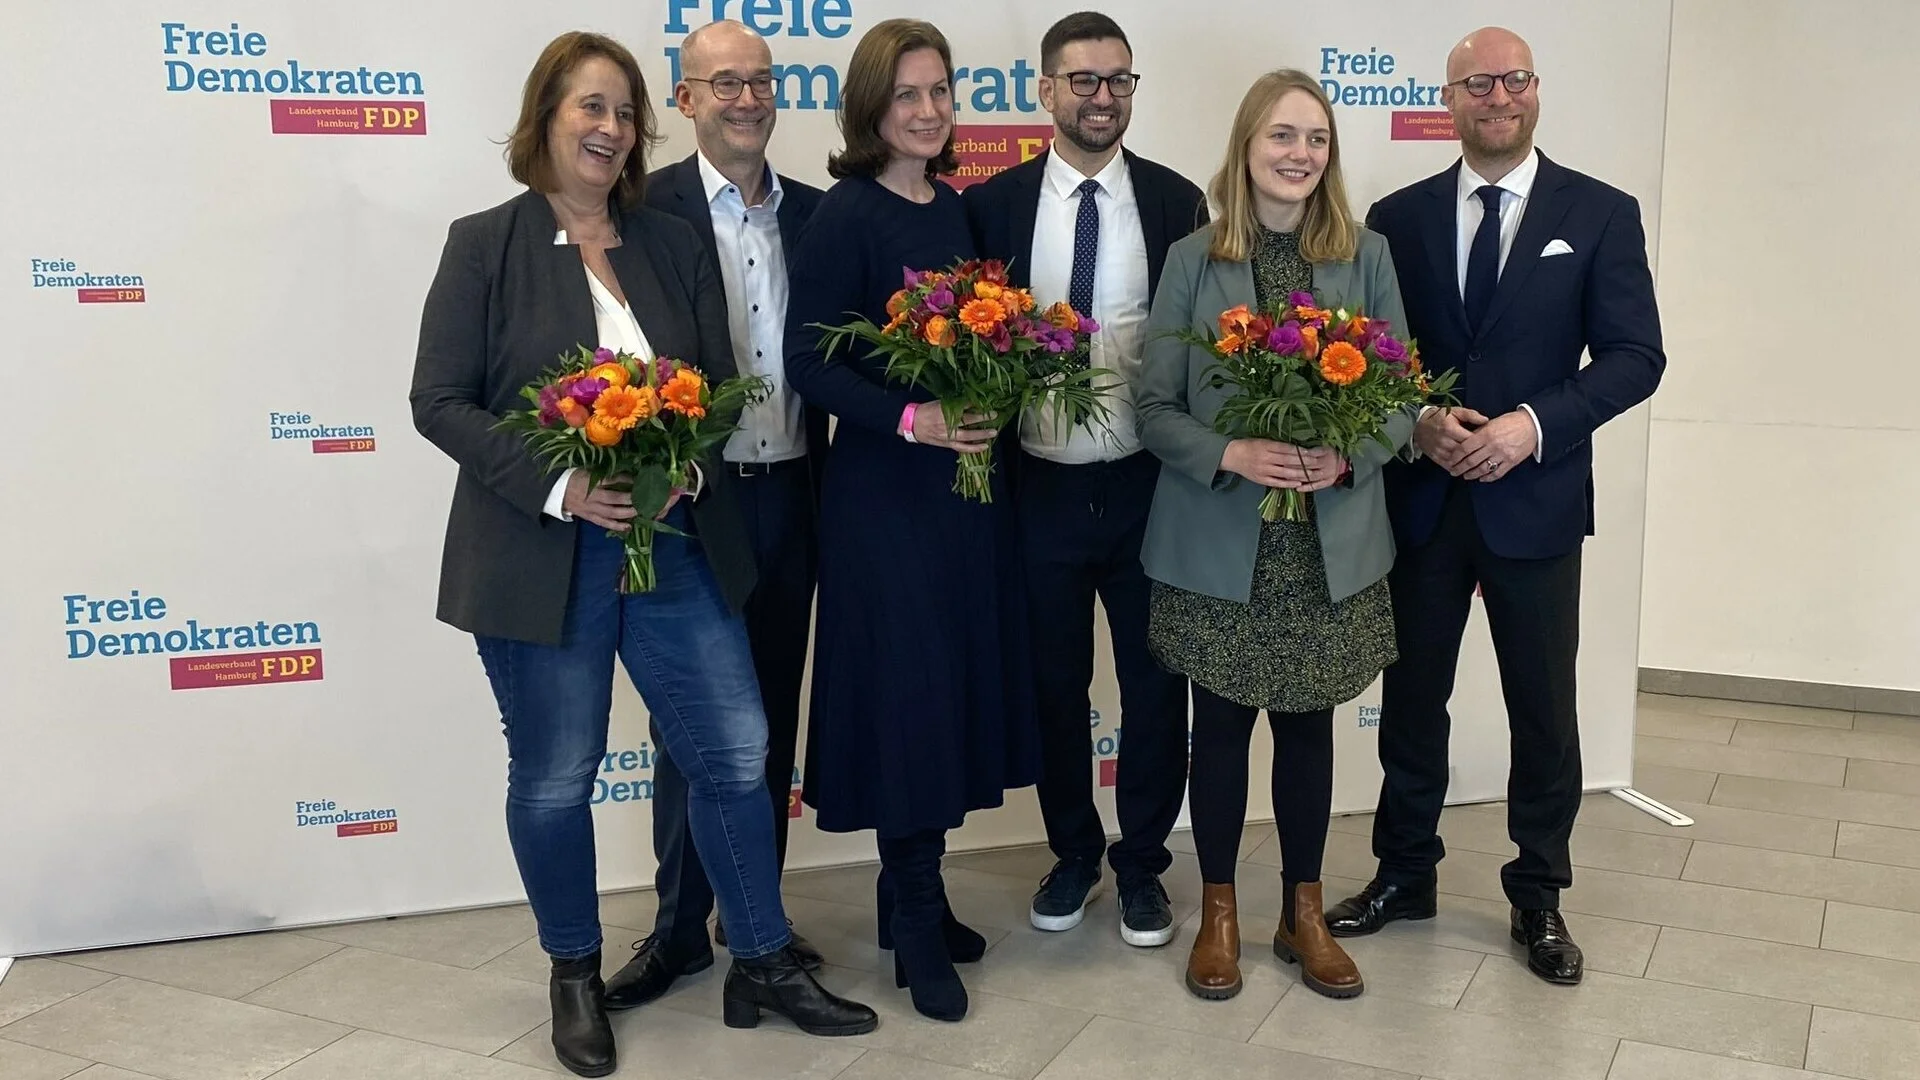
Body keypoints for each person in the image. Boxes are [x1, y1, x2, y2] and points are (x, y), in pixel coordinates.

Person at [410, 31, 875, 1076]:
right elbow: (436, 401)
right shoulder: (484, 243)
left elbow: (709, 385)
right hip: (537, 558)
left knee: (736, 750)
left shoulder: (663, 238)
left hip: (670, 549)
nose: (609, 128)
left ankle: (760, 956)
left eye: (621, 112)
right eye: (589, 108)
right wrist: (561, 480)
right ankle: (573, 973)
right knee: (556, 775)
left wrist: (685, 460)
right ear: (547, 120)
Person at [1325, 26, 1665, 988]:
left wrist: (1530, 425)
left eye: (1513, 79)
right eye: (1478, 82)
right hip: (1425, 501)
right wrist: (1419, 419)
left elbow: (1638, 357)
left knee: (1543, 710)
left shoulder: (1599, 213)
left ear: (1535, 90)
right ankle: (1404, 874)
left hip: (1537, 502)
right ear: (1452, 98)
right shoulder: (1396, 216)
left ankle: (1539, 895)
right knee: (1412, 702)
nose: (1498, 95)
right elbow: (1370, 354)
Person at [1136, 69, 1413, 1003]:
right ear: (1246, 148)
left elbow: (1399, 399)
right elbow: (1154, 409)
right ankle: (1220, 914)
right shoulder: (1192, 259)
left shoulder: (1366, 255)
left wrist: (1345, 459)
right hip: (1221, 541)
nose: (1300, 155)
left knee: (1308, 733)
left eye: (1317, 140)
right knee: (1215, 733)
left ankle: (1305, 914)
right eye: (1282, 137)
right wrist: (1233, 451)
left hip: (1324, 546)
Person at [783, 18, 1039, 1023]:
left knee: (950, 694)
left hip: (963, 499)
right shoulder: (845, 216)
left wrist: (989, 398)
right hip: (883, 501)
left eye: (941, 92)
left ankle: (905, 899)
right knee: (909, 703)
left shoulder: (960, 211)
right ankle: (920, 920)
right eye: (908, 96)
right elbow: (808, 360)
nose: (929, 111)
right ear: (870, 109)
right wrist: (908, 416)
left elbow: (982, 339)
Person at [962, 11, 1205, 949]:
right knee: (1055, 684)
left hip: (1149, 487)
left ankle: (1143, 864)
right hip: (1039, 489)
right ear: (1045, 90)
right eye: (1083, 80)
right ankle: (1072, 852)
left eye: (1118, 81)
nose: (1102, 98)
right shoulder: (992, 206)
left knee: (1153, 685)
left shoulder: (1182, 202)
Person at [602, 19, 829, 1012]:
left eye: (761, 82)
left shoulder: (820, 217)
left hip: (799, 497)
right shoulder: (643, 216)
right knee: (692, 733)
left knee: (770, 726)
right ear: (685, 101)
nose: (746, 99)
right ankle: (676, 931)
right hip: (696, 505)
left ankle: (755, 923)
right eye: (722, 83)